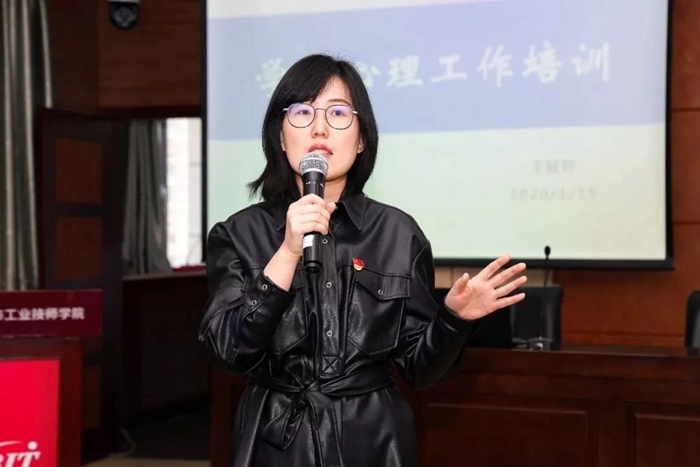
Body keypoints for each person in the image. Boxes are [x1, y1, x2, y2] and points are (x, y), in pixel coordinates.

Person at [198, 53, 528, 467]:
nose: (319, 128)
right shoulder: (237, 234)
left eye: (338, 113)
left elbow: (420, 371)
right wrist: (287, 252)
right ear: (280, 137)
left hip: (373, 439)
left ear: (361, 140)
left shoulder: (398, 234)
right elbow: (227, 352)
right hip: (273, 442)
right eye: (302, 112)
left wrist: (454, 319)